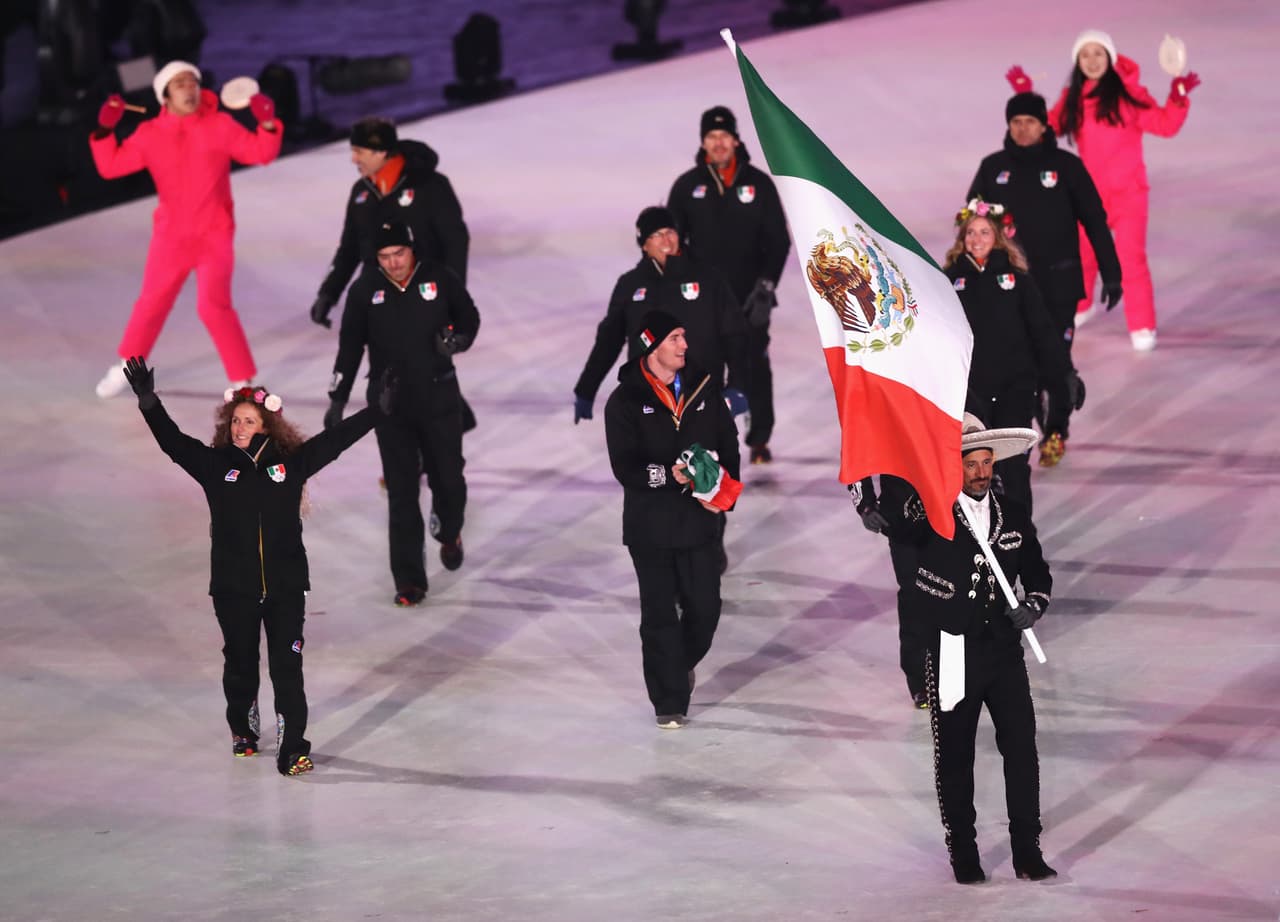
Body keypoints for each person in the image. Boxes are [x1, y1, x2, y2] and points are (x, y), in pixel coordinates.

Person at [121, 356, 392, 776]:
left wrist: (377, 411)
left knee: (287, 668)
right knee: (241, 663)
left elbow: (335, 440)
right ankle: (243, 731)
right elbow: (173, 443)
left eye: (248, 421)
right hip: (234, 589)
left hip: (285, 589)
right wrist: (149, 401)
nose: (239, 428)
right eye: (235, 422)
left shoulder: (292, 464)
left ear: (267, 426)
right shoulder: (215, 467)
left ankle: (293, 749)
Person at [872, 414, 1057, 885]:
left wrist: (1032, 606)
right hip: (952, 649)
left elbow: (1037, 572)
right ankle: (963, 852)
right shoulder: (930, 514)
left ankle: (1027, 850)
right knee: (955, 754)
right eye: (970, 463)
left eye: (986, 462)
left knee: (1022, 748)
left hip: (1004, 651)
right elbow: (906, 557)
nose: (980, 472)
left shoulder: (1013, 512)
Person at [89, 61, 282, 398]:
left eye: (192, 82)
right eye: (179, 84)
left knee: (213, 306)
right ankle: (127, 367)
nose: (189, 89)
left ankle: (243, 381)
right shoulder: (150, 134)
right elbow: (110, 166)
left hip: (214, 234)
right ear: (165, 95)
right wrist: (105, 131)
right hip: (171, 237)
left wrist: (266, 122)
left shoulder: (220, 125)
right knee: (151, 303)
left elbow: (260, 152)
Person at [1012, 30, 1200, 351]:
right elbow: (1048, 130)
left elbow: (1165, 124)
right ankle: (1082, 305)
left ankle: (1142, 324)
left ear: (1110, 57)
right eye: (1085, 55)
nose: (1092, 61)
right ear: (1078, 62)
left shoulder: (1129, 95)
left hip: (1129, 195)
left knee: (1130, 259)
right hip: (1088, 196)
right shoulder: (1075, 98)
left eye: (1098, 53)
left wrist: (1178, 97)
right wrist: (1027, 99)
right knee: (1082, 255)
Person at [325, 221, 479, 607]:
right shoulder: (365, 290)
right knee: (401, 490)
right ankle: (409, 580)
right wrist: (338, 398)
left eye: (399, 254)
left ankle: (449, 532)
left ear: (413, 250)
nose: (393, 264)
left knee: (448, 476)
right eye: (384, 258)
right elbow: (349, 346)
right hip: (389, 405)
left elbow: (469, 316)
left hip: (439, 396)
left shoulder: (439, 278)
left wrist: (457, 341)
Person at [967, 89, 1120, 465]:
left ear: (1043, 125)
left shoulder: (1066, 167)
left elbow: (1096, 222)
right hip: (1011, 291)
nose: (1022, 129)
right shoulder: (992, 168)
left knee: (1055, 360)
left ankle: (1057, 430)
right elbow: (970, 228)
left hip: (1058, 286)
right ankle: (1033, 426)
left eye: (1029, 122)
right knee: (1023, 365)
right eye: (1015, 122)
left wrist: (1112, 273)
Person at [604, 310, 741, 728]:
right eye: (674, 338)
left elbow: (728, 443)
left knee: (707, 609)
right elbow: (625, 467)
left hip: (699, 522)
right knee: (660, 614)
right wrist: (669, 474)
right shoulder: (624, 401)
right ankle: (669, 699)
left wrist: (725, 491)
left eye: (683, 336)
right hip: (650, 528)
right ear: (652, 347)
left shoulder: (702, 387)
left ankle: (677, 664)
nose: (684, 345)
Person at [309, 116, 477, 434]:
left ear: (381, 151)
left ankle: (426, 449)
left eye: (359, 151)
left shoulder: (430, 186)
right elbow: (348, 249)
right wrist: (328, 293)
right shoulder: (361, 192)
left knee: (421, 370)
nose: (353, 159)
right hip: (381, 297)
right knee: (395, 372)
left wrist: (451, 301)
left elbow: (456, 242)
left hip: (425, 295)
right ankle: (436, 436)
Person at [667, 105, 790, 463]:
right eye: (711, 137)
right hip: (703, 302)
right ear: (703, 142)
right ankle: (704, 437)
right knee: (702, 368)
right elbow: (673, 244)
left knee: (754, 364)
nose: (718, 143)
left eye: (724, 136)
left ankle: (759, 437)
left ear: (736, 140)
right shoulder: (688, 187)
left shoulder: (759, 184)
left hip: (751, 299)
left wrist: (766, 286)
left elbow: (779, 241)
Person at [944, 200, 1071, 515]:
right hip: (970, 394)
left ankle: (1021, 538)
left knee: (1013, 468)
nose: (976, 239)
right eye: (970, 232)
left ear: (998, 236)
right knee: (975, 469)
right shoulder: (948, 280)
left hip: (1015, 388)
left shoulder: (1017, 279)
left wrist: (1064, 374)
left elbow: (1042, 331)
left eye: (984, 231)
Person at [574, 205, 748, 424]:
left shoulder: (709, 279)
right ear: (644, 245)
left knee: (699, 458)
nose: (666, 240)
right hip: (648, 402)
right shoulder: (630, 285)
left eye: (670, 232)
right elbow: (608, 342)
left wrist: (738, 386)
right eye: (656, 235)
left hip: (702, 398)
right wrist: (586, 389)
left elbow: (735, 335)